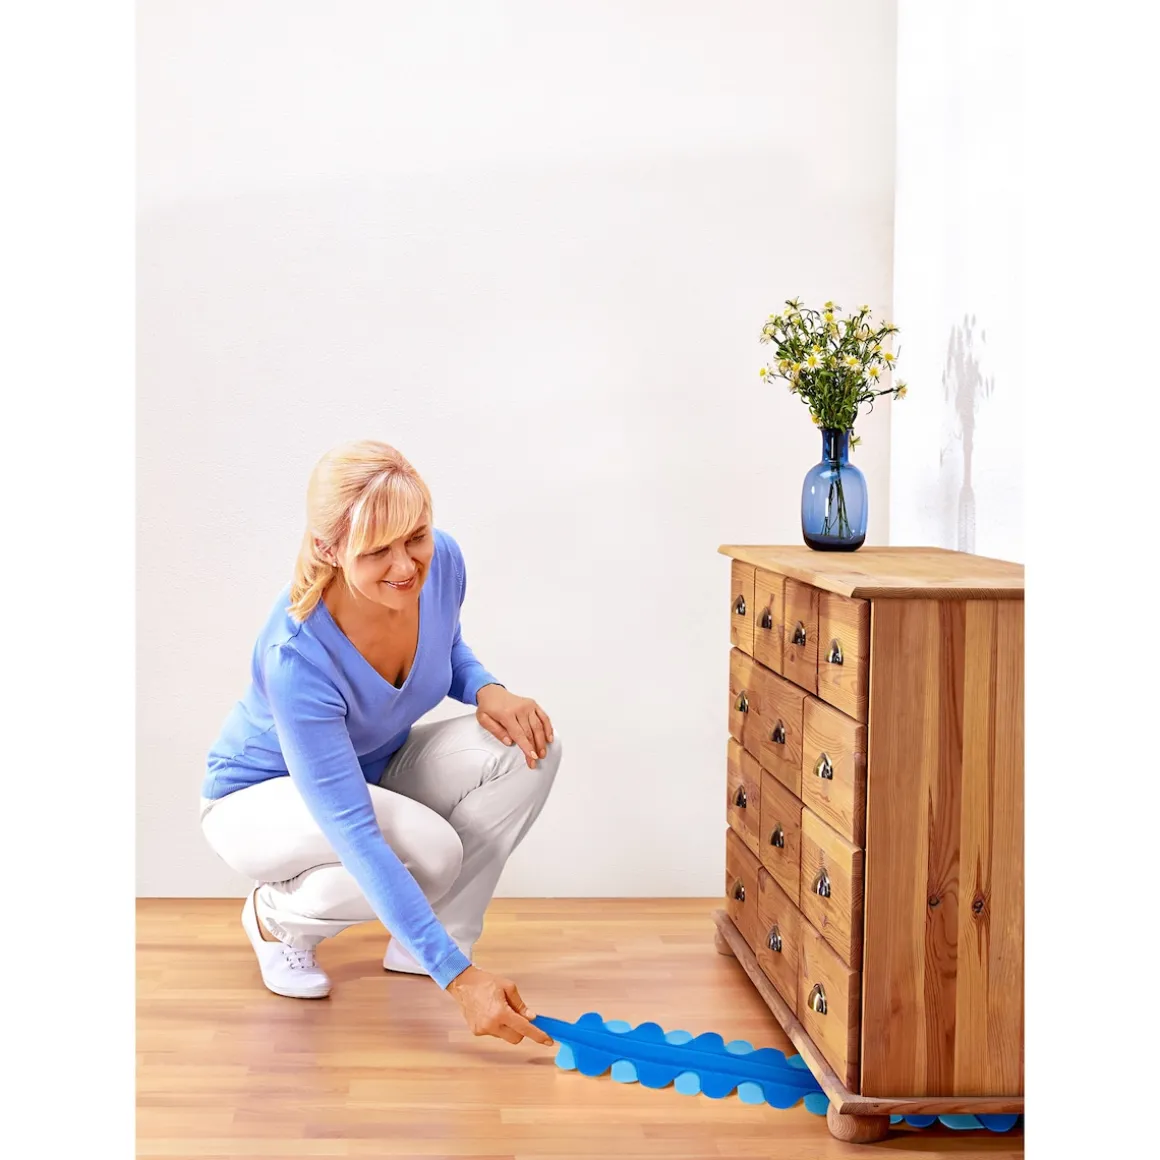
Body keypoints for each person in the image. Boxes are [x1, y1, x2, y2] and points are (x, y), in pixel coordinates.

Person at [199, 439, 560, 1049]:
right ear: (329, 549)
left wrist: (487, 689)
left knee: (527, 748)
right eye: (377, 551)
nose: (405, 566)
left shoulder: (443, 561)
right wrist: (460, 981)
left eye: (415, 536)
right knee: (431, 854)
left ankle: (429, 941)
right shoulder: (296, 653)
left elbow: (444, 647)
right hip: (255, 800)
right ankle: (276, 919)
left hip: (374, 769)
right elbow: (354, 830)